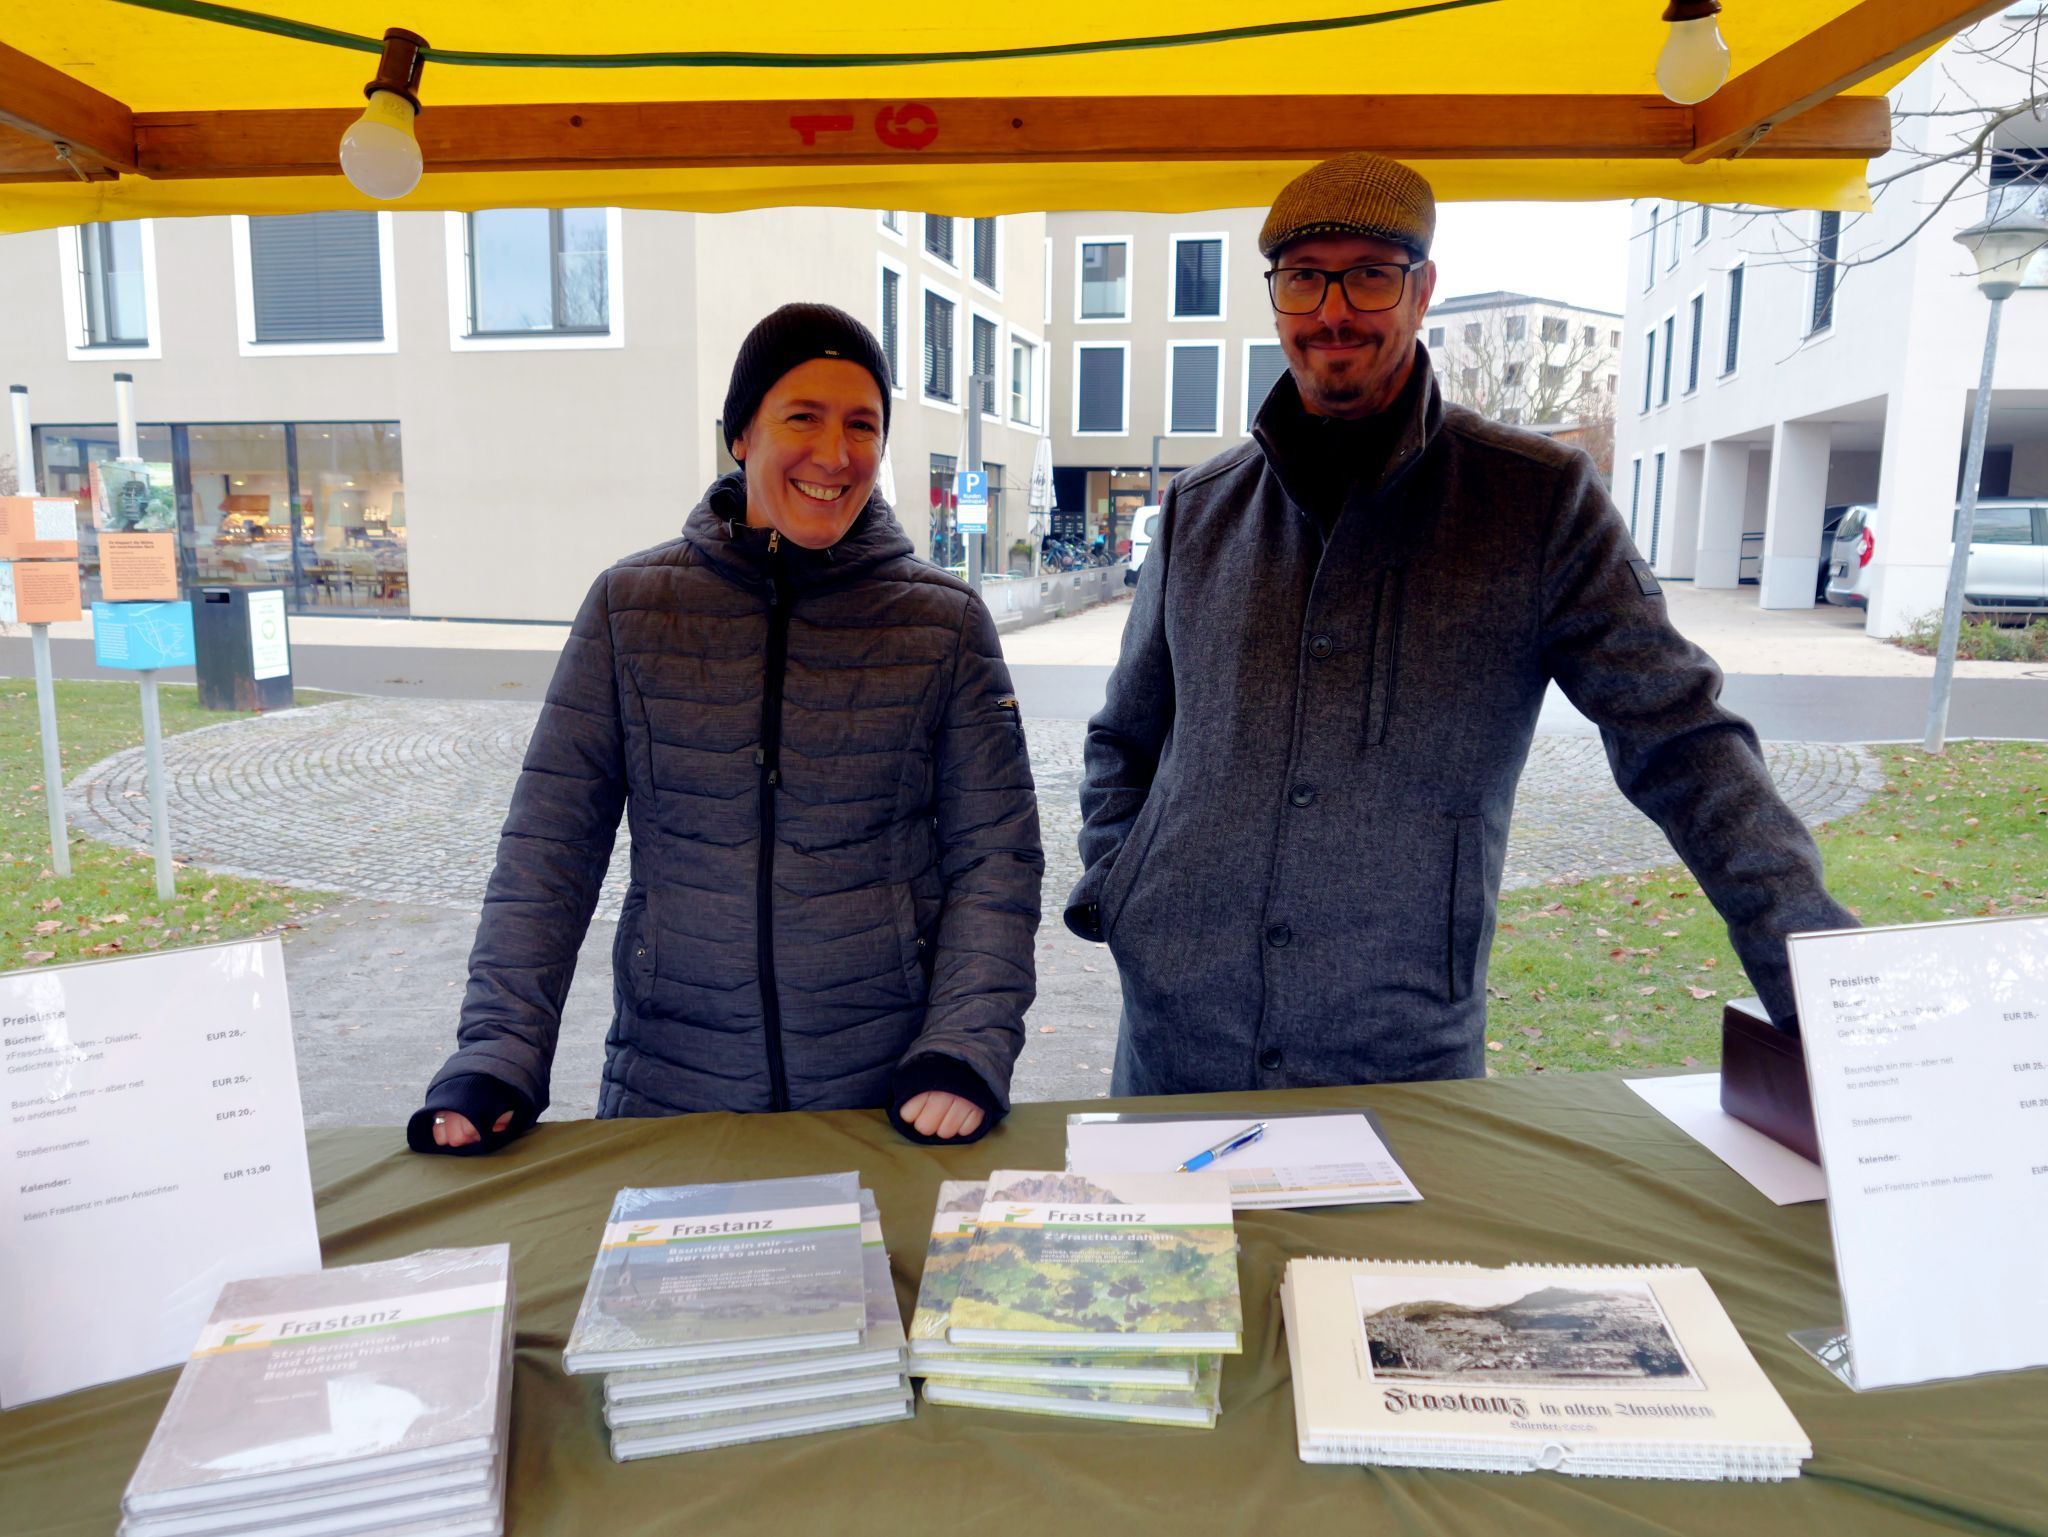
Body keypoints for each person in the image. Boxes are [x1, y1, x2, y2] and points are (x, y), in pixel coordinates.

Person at [1066, 152, 1854, 1096]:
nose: (1334, 312)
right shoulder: (1203, 509)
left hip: (1398, 1045)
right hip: (1176, 1034)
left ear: (1423, 288)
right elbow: (1125, 737)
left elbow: (1681, 739)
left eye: (1370, 274)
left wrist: (1822, 982)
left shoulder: (1536, 501)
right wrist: (1125, 888)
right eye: (1303, 278)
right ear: (1276, 298)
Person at [411, 303, 1042, 1152]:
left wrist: (964, 1047)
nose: (835, 453)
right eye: (802, 417)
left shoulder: (945, 621)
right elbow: (547, 851)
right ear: (741, 434)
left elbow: (995, 859)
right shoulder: (630, 608)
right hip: (671, 1096)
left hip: (885, 1103)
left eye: (863, 424)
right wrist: (497, 1053)